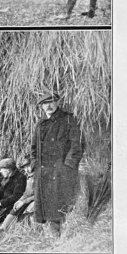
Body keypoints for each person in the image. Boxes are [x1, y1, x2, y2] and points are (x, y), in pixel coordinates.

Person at [31, 91, 83, 236]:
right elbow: (34, 149)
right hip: (44, 171)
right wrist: (35, 166)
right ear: (41, 107)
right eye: (45, 104)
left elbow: (77, 145)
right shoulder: (40, 125)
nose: (49, 106)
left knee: (59, 205)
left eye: (52, 102)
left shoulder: (68, 120)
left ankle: (61, 237)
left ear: (58, 103)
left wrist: (67, 166)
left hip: (60, 171)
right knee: (46, 206)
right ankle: (52, 236)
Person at [0, 154, 35, 232]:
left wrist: (25, 201)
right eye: (25, 167)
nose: (27, 169)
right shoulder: (29, 177)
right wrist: (20, 200)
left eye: (29, 166)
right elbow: (26, 193)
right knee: (15, 208)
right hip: (27, 199)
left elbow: (39, 194)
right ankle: (2, 229)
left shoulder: (39, 177)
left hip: (35, 200)